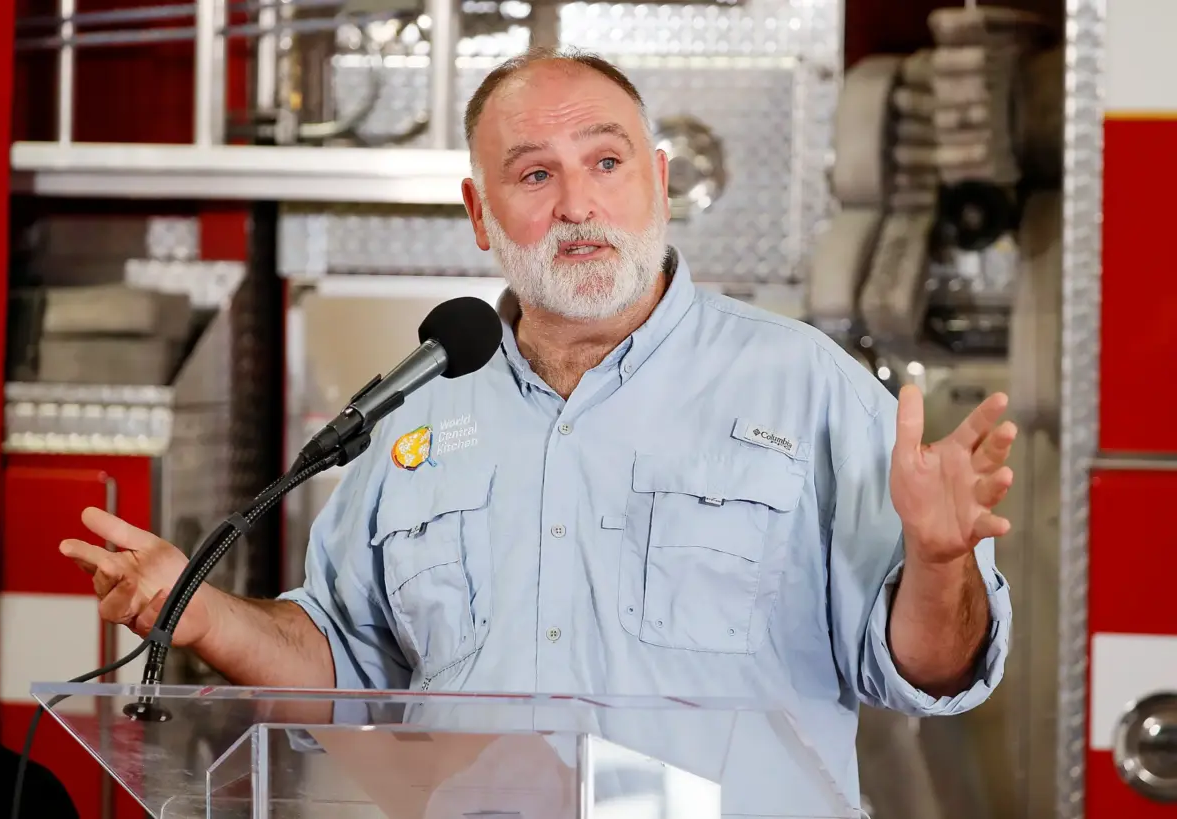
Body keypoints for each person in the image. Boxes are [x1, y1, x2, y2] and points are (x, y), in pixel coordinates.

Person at [59, 47, 1014, 815]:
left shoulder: (803, 384)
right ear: (481, 213)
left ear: (659, 181)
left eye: (607, 162)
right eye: (534, 173)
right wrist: (200, 613)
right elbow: (346, 676)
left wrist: (939, 562)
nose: (577, 204)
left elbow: (933, 672)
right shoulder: (417, 407)